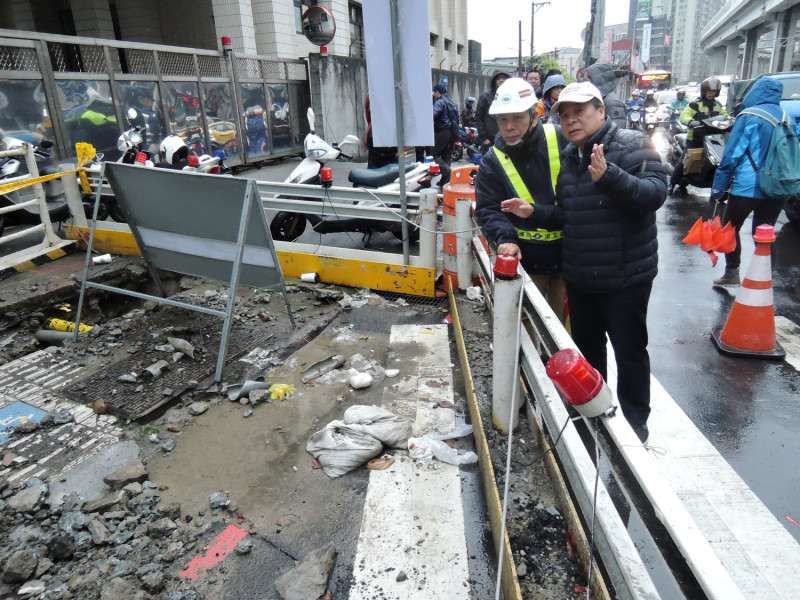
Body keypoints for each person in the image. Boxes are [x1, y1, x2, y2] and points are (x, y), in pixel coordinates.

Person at [501, 81, 667, 443]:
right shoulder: (572, 157)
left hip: (625, 277)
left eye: (580, 112)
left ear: (601, 111)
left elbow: (654, 195)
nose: (571, 120)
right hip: (581, 277)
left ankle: (636, 425)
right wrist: (534, 213)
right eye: (564, 115)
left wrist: (610, 177)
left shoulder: (632, 145)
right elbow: (570, 216)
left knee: (630, 352)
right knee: (588, 355)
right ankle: (593, 417)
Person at [474, 78, 567, 321]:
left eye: (517, 117)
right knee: (525, 329)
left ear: (534, 117)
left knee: (565, 331)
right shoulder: (492, 160)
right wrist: (506, 238)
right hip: (528, 260)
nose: (509, 126)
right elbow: (489, 209)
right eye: (503, 119)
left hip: (570, 258)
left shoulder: (560, 139)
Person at [709, 77, 787, 288]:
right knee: (765, 231)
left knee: (730, 228)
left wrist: (718, 188)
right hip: (777, 186)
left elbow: (732, 154)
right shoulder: (784, 116)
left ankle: (732, 272)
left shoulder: (750, 115)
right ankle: (765, 278)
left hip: (748, 185)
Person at [671, 77, 728, 191]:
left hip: (713, 138)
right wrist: (691, 121)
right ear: (704, 91)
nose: (712, 94)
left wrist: (732, 120)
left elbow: (725, 115)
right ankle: (671, 183)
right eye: (709, 91)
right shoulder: (695, 105)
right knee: (684, 161)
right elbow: (684, 115)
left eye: (714, 92)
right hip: (695, 139)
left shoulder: (717, 105)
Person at [431, 82, 459, 186]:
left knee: (434, 154)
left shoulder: (440, 102)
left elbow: (433, 114)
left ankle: (448, 172)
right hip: (453, 132)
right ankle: (445, 180)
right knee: (446, 155)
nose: (434, 94)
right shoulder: (453, 102)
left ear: (438, 92)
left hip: (442, 131)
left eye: (435, 92)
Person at [585, 62, 627, 129]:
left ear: (596, 80)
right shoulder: (598, 99)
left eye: (586, 81)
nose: (585, 84)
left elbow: (617, 131)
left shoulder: (613, 103)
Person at [476, 71, 510, 152]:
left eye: (503, 78)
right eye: (499, 78)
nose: (501, 80)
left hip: (508, 139)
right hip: (490, 140)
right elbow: (478, 118)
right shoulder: (485, 97)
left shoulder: (511, 96)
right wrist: (484, 139)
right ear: (494, 81)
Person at [364, 94, 397, 169]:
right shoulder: (397, 93)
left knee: (373, 174)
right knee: (394, 173)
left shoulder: (372, 93)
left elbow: (368, 116)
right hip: (393, 141)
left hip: (375, 139)